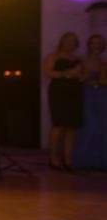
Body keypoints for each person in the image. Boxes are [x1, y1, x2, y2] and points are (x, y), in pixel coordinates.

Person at [43, 31, 84, 170]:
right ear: (62, 42)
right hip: (59, 92)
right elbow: (48, 72)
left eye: (73, 41)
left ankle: (68, 160)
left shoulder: (78, 58)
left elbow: (82, 75)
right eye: (67, 40)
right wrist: (66, 74)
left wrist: (79, 75)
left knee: (71, 127)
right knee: (58, 125)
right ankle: (53, 159)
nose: (70, 43)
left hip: (74, 92)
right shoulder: (53, 56)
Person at [73, 34, 107, 170]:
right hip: (87, 95)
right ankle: (85, 161)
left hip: (102, 95)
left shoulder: (103, 61)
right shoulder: (82, 60)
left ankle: (100, 161)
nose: (96, 46)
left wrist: (99, 82)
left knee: (102, 126)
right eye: (93, 43)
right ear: (89, 45)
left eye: (99, 43)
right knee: (88, 125)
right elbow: (77, 77)